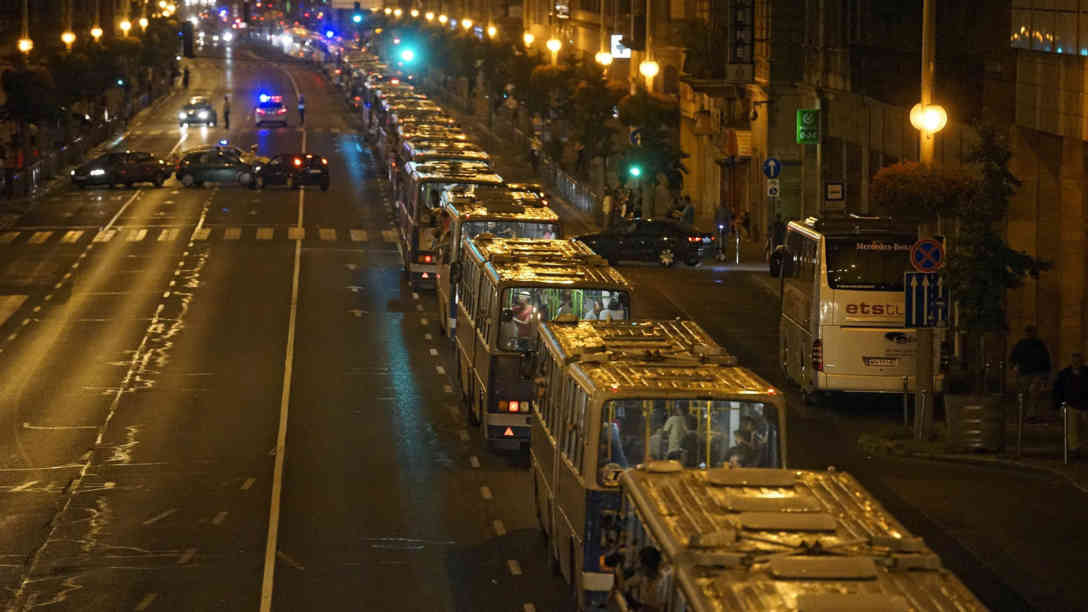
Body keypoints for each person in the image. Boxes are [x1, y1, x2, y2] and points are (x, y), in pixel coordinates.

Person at [1010, 325, 1052, 419]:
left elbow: (1045, 359)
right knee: (1024, 393)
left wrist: (1046, 375)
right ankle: (1023, 413)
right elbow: (1013, 358)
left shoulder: (1039, 344)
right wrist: (1014, 367)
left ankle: (1031, 413)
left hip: (1036, 373)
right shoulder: (1022, 344)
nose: (1030, 334)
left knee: (1033, 392)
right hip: (1025, 373)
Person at [1053, 352, 1088, 453]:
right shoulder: (1064, 374)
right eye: (1074, 361)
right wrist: (1059, 405)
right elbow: (1058, 391)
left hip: (1085, 405)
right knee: (1072, 428)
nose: (1076, 363)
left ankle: (1083, 446)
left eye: (1078, 361)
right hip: (1071, 404)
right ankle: (1074, 448)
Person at [619, 547, 667, 612]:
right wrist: (632, 602)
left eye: (642, 564)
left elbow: (659, 605)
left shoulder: (663, 580)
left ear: (648, 565)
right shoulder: (643, 577)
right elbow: (626, 585)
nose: (640, 567)